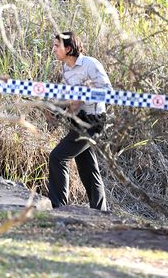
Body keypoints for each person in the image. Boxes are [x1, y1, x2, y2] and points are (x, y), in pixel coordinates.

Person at [48, 31, 112, 211]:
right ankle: (101, 212)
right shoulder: (66, 67)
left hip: (93, 121)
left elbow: (108, 90)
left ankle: (58, 207)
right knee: (87, 167)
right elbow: (69, 96)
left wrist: (84, 96)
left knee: (58, 157)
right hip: (77, 120)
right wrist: (57, 109)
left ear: (68, 49)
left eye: (56, 46)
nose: (53, 49)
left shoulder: (90, 64)